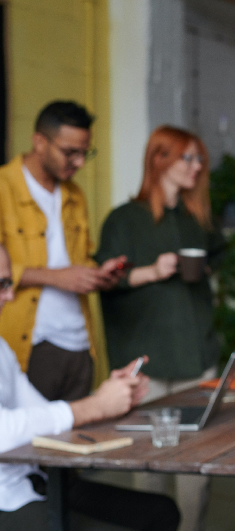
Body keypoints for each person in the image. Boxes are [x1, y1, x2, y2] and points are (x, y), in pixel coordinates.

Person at [0, 245, 181, 531]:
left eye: (8, 283)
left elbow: (42, 414)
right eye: (1, 285)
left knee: (161, 512)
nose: (10, 296)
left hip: (35, 485)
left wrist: (109, 396)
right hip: (7, 501)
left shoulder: (2, 349)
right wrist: (96, 406)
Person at [95, 125, 219, 531]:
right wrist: (150, 271)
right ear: (159, 159)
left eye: (200, 159)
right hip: (147, 362)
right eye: (188, 157)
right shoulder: (123, 220)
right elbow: (103, 281)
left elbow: (201, 294)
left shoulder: (193, 220)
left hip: (195, 359)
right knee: (148, 471)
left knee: (195, 472)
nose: (197, 167)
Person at [0, 100, 125, 401]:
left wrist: (97, 275)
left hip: (80, 343)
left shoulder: (75, 195)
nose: (80, 162)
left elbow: (78, 260)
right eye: (71, 152)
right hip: (31, 343)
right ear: (39, 142)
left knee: (79, 438)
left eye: (85, 153)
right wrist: (57, 277)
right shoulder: (3, 187)